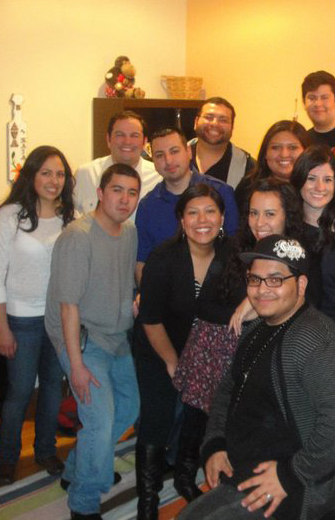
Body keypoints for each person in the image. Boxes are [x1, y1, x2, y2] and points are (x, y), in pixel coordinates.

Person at [176, 234, 335, 520]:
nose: (262, 289)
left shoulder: (314, 339)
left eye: (275, 280)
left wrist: (291, 474)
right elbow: (229, 389)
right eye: (255, 279)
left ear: (301, 284)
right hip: (249, 468)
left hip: (299, 486)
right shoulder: (260, 327)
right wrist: (216, 443)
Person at [135, 184, 245, 519]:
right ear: (181, 220)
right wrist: (172, 361)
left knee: (199, 416)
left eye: (210, 211)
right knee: (157, 417)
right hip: (159, 346)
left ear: (222, 217)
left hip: (205, 352)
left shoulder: (233, 254)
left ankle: (185, 477)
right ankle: (148, 500)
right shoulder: (163, 258)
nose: (202, 220)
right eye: (193, 213)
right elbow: (150, 319)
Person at [45, 163, 141, 520]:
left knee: (129, 407)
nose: (125, 199)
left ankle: (80, 466)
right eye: (117, 190)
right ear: (100, 193)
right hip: (81, 339)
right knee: (99, 420)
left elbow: (121, 279)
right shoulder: (78, 237)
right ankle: (83, 503)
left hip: (116, 335)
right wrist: (77, 366)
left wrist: (134, 301)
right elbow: (67, 307)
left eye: (132, 193)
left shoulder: (129, 232)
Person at [0, 145, 75, 486]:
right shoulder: (10, 216)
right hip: (21, 319)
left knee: (52, 388)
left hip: (58, 318)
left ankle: (45, 450)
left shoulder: (71, 216)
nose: (54, 180)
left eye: (60, 174)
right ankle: (7, 458)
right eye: (46, 173)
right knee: (21, 391)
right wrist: (2, 328)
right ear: (32, 176)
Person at [135, 127, 240, 285]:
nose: (168, 160)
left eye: (174, 151)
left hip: (218, 289)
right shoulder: (147, 206)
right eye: (159, 155)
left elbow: (236, 248)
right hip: (166, 293)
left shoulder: (221, 193)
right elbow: (142, 262)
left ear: (188, 152)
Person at [226, 178, 305, 334]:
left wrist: (255, 302)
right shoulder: (235, 248)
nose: (259, 223)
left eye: (270, 214)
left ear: (287, 216)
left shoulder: (300, 256)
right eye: (253, 213)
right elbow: (206, 304)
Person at [289, 143, 335, 318]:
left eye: (327, 180)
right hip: (295, 320)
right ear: (299, 179)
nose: (320, 187)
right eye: (311, 178)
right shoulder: (287, 222)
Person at [73, 110, 161, 220]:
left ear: (144, 142)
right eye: (120, 135)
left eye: (134, 135)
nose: (127, 141)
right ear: (108, 140)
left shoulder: (158, 178)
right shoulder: (85, 174)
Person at [235, 120, 311, 208]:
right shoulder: (248, 186)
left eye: (293, 147)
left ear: (306, 151)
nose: (284, 154)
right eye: (275, 147)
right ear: (265, 153)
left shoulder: (315, 188)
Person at [189, 97, 255, 188]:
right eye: (208, 117)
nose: (215, 124)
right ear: (196, 122)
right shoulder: (175, 157)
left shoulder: (249, 167)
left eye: (223, 120)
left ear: (232, 127)